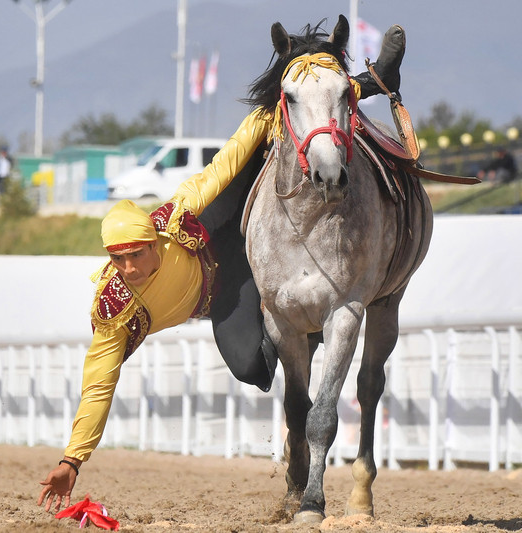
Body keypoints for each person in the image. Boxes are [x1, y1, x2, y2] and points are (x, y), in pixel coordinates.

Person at [37, 21, 407, 514]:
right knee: (252, 367)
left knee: (255, 155)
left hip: (227, 235)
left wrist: (264, 118)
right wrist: (72, 459)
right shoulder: (114, 307)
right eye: (118, 260)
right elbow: (99, 381)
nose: (128, 268)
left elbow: (222, 163)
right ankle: (303, 338)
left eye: (135, 254)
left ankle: (372, 80)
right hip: (229, 289)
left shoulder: (177, 215)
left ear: (154, 235)